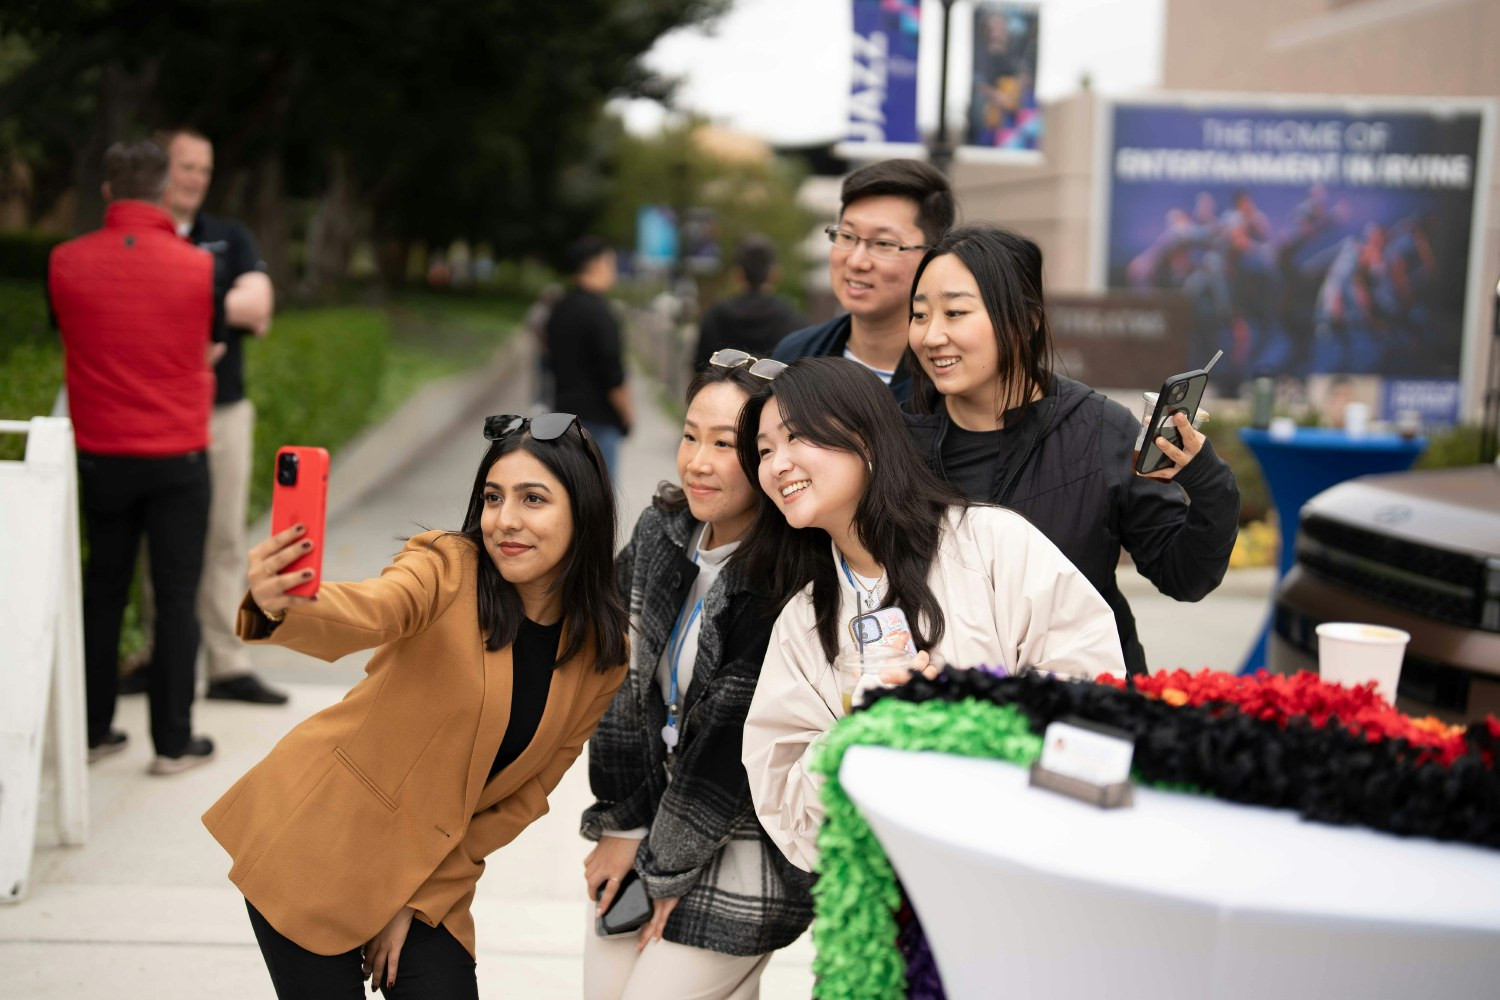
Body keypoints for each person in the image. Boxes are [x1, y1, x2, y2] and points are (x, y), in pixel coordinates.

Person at [202, 413, 628, 997]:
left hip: (432, 873)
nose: (506, 521)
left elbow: (526, 795)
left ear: (584, 513)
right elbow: (376, 608)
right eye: (493, 497)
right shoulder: (448, 566)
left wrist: (419, 896)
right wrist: (286, 603)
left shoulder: (604, 650)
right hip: (322, 844)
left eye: (534, 499)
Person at [735, 357, 1124, 872]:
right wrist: (861, 732)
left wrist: (957, 717)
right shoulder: (803, 621)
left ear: (866, 436)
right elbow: (780, 792)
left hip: (1031, 863)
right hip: (901, 893)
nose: (777, 464)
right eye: (764, 451)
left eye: (794, 437)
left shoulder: (991, 544)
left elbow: (1092, 685)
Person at [903, 223, 1241, 676]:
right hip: (940, 715)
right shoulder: (897, 438)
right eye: (920, 315)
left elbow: (1185, 576)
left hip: (1079, 712)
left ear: (1026, 322)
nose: (931, 336)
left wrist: (1204, 478)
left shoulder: (1101, 431)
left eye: (956, 313)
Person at [580, 357, 813, 999]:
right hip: (656, 811)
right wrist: (624, 827)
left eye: (726, 444)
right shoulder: (663, 530)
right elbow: (617, 682)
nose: (699, 462)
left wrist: (664, 873)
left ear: (771, 458)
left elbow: (730, 753)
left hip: (752, 833)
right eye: (691, 436)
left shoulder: (790, 574)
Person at [48, 139, 217, 773]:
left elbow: (68, 331)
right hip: (178, 456)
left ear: (107, 191)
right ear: (166, 191)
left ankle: (92, 732)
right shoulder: (199, 266)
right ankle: (173, 743)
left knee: (103, 590)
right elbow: (211, 346)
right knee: (176, 597)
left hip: (100, 455)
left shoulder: (64, 261)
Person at [123, 126, 287, 705]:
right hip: (156, 413)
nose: (193, 178)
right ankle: (158, 659)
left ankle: (225, 664)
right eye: (183, 165)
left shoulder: (230, 235)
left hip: (222, 412)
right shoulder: (138, 236)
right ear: (158, 171)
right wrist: (221, 308)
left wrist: (177, 305)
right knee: (155, 541)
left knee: (222, 539)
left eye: (203, 169)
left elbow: (260, 305)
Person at [770, 159, 954, 403]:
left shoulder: (951, 377)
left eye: (884, 244)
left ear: (934, 255)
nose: (857, 261)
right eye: (846, 236)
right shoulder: (796, 355)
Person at [548, 236, 633, 479]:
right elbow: (612, 372)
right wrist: (627, 414)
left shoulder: (559, 308)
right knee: (600, 500)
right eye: (611, 264)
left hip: (562, 418)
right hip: (599, 421)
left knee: (571, 494)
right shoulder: (601, 313)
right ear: (596, 265)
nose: (614, 272)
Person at [690, 235, 803, 372]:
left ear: (737, 273)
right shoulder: (790, 317)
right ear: (774, 273)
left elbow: (699, 367)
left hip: (723, 392)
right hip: (774, 393)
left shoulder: (716, 315)